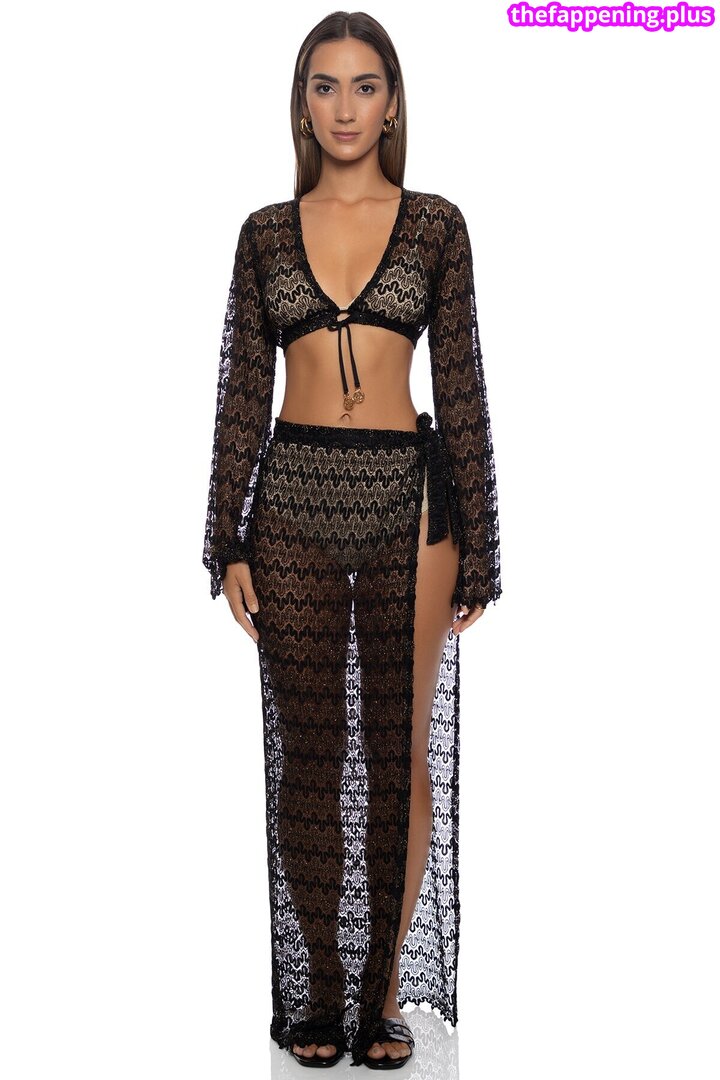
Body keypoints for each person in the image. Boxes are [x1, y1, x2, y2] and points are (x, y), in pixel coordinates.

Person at [202, 10, 502, 1070]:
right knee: (311, 758)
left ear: (392, 102)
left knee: (397, 754)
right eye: (324, 86)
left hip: (407, 503)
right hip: (289, 504)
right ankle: (322, 994)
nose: (344, 107)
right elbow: (242, 393)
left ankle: (377, 1002)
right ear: (302, 104)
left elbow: (461, 385)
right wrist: (226, 542)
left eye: (364, 86)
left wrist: (483, 543)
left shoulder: (435, 225)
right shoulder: (264, 234)